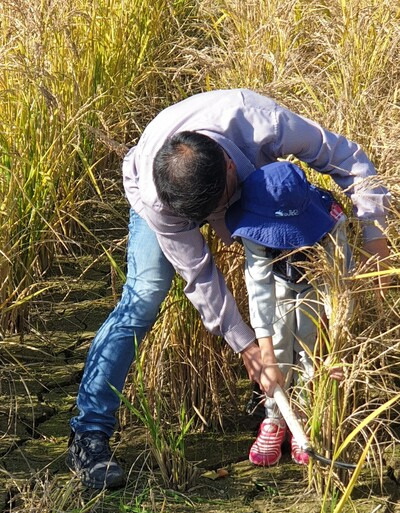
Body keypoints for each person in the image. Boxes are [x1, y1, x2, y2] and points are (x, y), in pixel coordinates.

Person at [66, 89, 390, 489]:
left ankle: (286, 395)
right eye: (207, 221)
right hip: (159, 192)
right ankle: (89, 433)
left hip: (244, 181)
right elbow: (200, 274)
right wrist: (247, 348)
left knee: (286, 269)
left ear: (230, 169)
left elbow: (350, 160)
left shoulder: (261, 123)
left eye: (219, 209)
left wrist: (375, 240)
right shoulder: (159, 202)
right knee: (145, 295)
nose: (219, 231)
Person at [225, 160, 352, 467]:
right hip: (280, 285)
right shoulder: (254, 231)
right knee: (278, 348)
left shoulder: (330, 220)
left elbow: (338, 286)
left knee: (311, 349)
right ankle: (276, 417)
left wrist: (336, 345)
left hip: (314, 289)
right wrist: (266, 355)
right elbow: (259, 288)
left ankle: (304, 416)